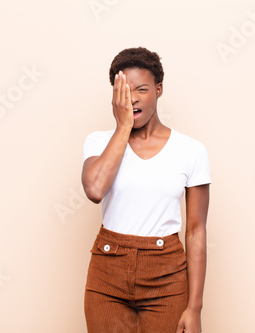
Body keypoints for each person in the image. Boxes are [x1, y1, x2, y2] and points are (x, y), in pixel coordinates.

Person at [81, 46, 211, 333]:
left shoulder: (191, 151)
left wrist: (195, 307)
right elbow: (94, 189)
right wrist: (123, 126)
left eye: (142, 89)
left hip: (166, 274)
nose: (135, 98)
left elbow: (196, 231)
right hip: (107, 271)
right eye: (126, 91)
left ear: (159, 89)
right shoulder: (98, 142)